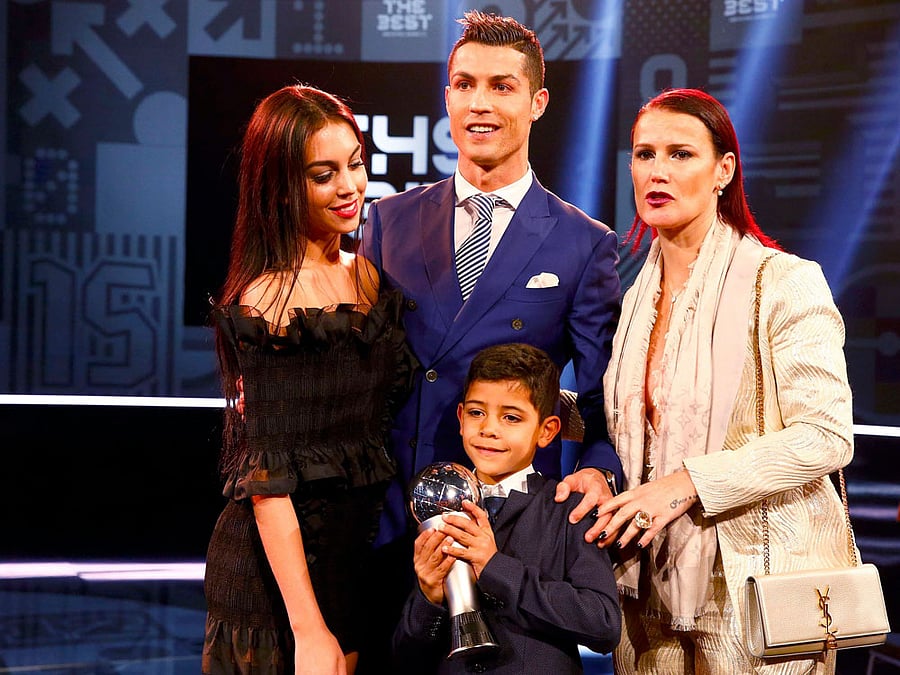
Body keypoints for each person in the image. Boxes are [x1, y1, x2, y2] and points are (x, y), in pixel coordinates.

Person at [359, 12, 623, 667]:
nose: (479, 102)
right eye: (464, 83)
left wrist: (599, 467)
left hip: (501, 539)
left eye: (501, 86)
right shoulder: (388, 220)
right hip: (383, 520)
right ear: (446, 96)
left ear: (536, 102)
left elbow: (602, 390)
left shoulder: (584, 244)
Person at [593, 87, 855, 674]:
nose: (656, 172)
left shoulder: (783, 281)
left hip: (753, 593)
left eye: (680, 154)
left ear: (723, 170)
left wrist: (688, 483)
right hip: (644, 594)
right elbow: (637, 416)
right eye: (644, 154)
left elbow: (827, 434)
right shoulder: (634, 297)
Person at [201, 84, 417, 674]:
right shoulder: (267, 298)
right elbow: (268, 484)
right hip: (276, 588)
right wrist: (308, 627)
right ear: (280, 186)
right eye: (323, 174)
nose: (349, 187)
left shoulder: (368, 278)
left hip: (352, 564)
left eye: (355, 165)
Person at [393, 342, 621, 673]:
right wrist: (428, 597)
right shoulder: (434, 509)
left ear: (547, 431)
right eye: (476, 412)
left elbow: (603, 625)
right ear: (460, 418)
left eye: (511, 417)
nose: (489, 428)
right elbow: (405, 657)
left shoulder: (568, 510)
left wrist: (494, 567)